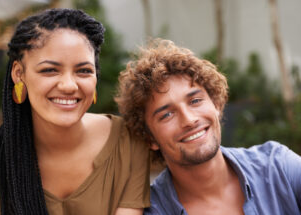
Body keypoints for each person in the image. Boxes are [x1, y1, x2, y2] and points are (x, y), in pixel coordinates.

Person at [0, 8, 149, 215]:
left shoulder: (128, 140)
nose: (69, 85)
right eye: (49, 70)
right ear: (19, 74)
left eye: (84, 71)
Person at [115, 39, 301, 215]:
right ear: (150, 138)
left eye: (195, 101)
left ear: (216, 105)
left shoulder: (277, 168)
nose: (188, 120)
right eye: (167, 115)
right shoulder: (153, 210)